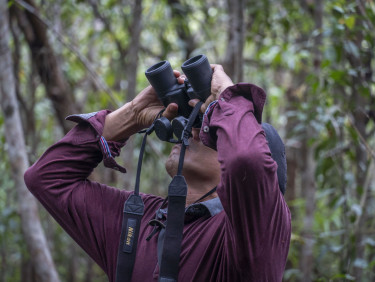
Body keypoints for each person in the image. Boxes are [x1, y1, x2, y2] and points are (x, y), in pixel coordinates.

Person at [24, 64, 291, 281]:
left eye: (213, 132)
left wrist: (224, 94)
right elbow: (47, 178)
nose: (193, 130)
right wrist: (132, 114)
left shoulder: (254, 232)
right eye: (196, 123)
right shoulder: (139, 220)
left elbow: (247, 160)